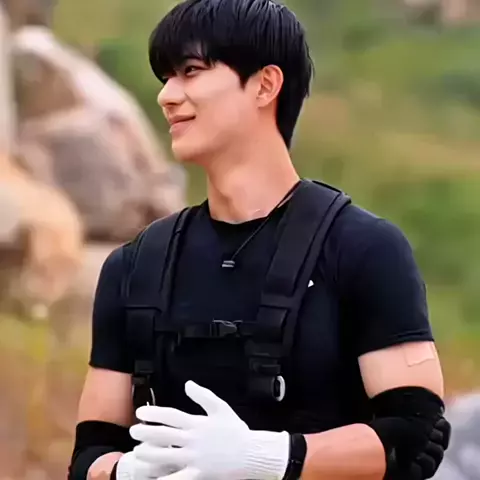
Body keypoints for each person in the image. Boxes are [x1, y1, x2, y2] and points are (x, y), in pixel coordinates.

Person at [68, 1, 452, 479]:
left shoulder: (365, 249)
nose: (167, 95)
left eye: (191, 71)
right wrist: (126, 472)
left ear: (266, 85)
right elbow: (89, 454)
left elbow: (415, 438)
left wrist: (269, 456)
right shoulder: (134, 267)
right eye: (166, 78)